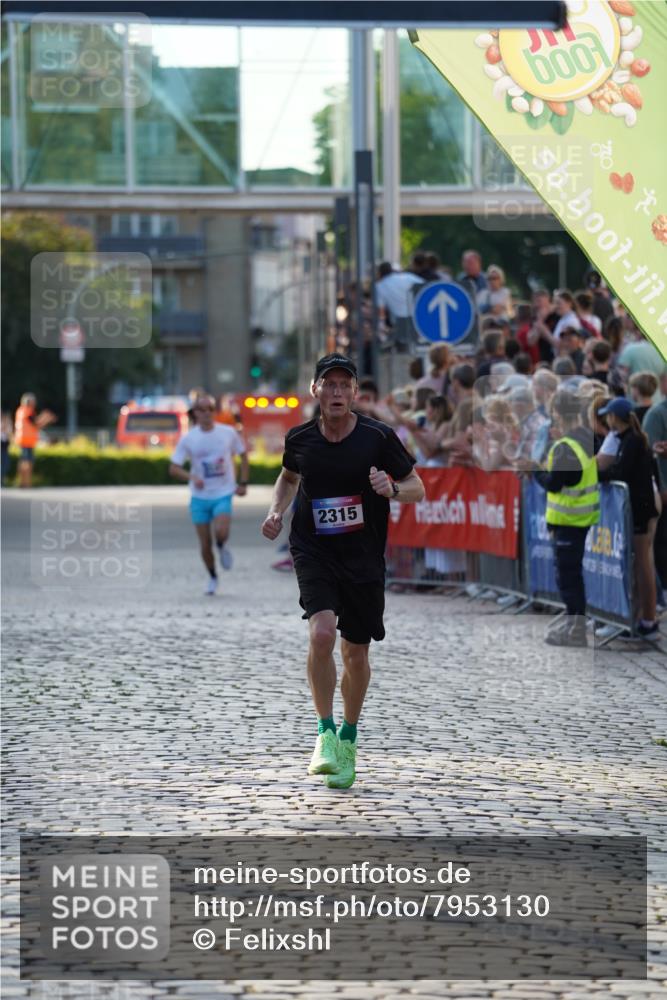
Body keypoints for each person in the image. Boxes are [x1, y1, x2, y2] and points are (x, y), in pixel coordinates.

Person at [261, 353, 425, 789]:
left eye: (343, 385)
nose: (336, 392)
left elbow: (418, 488)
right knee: (321, 634)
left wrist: (392, 488)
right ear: (315, 390)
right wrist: (276, 510)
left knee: (356, 653)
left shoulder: (378, 437)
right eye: (328, 384)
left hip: (363, 556)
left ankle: (349, 738)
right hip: (313, 549)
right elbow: (288, 478)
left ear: (354, 392)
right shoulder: (300, 438)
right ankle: (324, 733)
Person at [532, 390, 600, 647]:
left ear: (557, 414)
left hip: (568, 521)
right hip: (580, 519)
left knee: (568, 578)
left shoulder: (565, 447)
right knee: (572, 576)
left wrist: (536, 470)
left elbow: (555, 483)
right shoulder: (586, 439)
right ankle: (575, 624)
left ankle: (577, 630)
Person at [170, 393, 249, 596]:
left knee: (221, 532)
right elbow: (174, 468)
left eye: (210, 409)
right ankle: (213, 576)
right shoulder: (189, 438)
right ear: (195, 413)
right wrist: (191, 477)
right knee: (205, 544)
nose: (206, 413)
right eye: (202, 410)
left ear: (215, 412)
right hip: (199, 496)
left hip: (223, 492)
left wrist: (243, 482)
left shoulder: (228, 432)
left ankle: (221, 545)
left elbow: (243, 455)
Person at [597, 397, 660, 639]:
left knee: (643, 564)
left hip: (641, 509)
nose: (606, 420)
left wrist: (596, 476)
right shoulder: (628, 439)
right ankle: (640, 618)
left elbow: (621, 472)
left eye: (608, 415)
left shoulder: (632, 441)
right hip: (639, 507)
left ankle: (649, 621)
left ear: (615, 417)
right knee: (639, 565)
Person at [14, 393, 56, 488]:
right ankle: (26, 483)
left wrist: (45, 419)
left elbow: (35, 424)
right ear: (29, 402)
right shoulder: (27, 411)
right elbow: (36, 424)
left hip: (23, 439)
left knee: (23, 461)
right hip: (26, 440)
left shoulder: (21, 410)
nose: (35, 403)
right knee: (27, 462)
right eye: (33, 401)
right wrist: (46, 418)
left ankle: (22, 482)